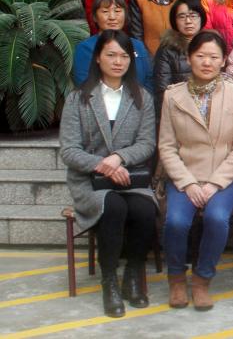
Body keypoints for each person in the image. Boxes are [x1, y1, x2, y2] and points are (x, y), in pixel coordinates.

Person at [59, 30, 157, 318]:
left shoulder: (142, 97)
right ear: (98, 58)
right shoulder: (78, 99)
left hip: (130, 178)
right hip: (90, 182)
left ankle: (132, 274)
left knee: (144, 209)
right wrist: (104, 165)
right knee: (113, 206)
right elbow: (69, 150)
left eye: (124, 56)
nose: (118, 61)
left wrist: (119, 158)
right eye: (111, 55)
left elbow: (147, 143)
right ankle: (109, 281)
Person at [158, 30, 233, 311]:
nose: (207, 62)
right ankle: (177, 278)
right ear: (189, 58)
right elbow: (167, 146)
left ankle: (202, 279)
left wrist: (214, 184)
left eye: (214, 57)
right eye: (200, 56)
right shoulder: (173, 96)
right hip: (185, 177)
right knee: (176, 222)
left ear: (224, 60)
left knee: (216, 217)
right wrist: (188, 183)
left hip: (225, 179)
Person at [74, 0, 153, 92]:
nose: (112, 17)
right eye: (105, 11)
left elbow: (149, 80)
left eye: (117, 11)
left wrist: (141, 99)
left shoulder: (138, 45)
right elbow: (84, 83)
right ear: (95, 17)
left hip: (139, 100)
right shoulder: (85, 48)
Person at [153, 0, 205, 119]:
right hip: (179, 112)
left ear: (201, 18)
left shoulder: (211, 45)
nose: (188, 21)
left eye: (193, 15)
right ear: (174, 21)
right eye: (182, 17)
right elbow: (162, 90)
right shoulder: (167, 49)